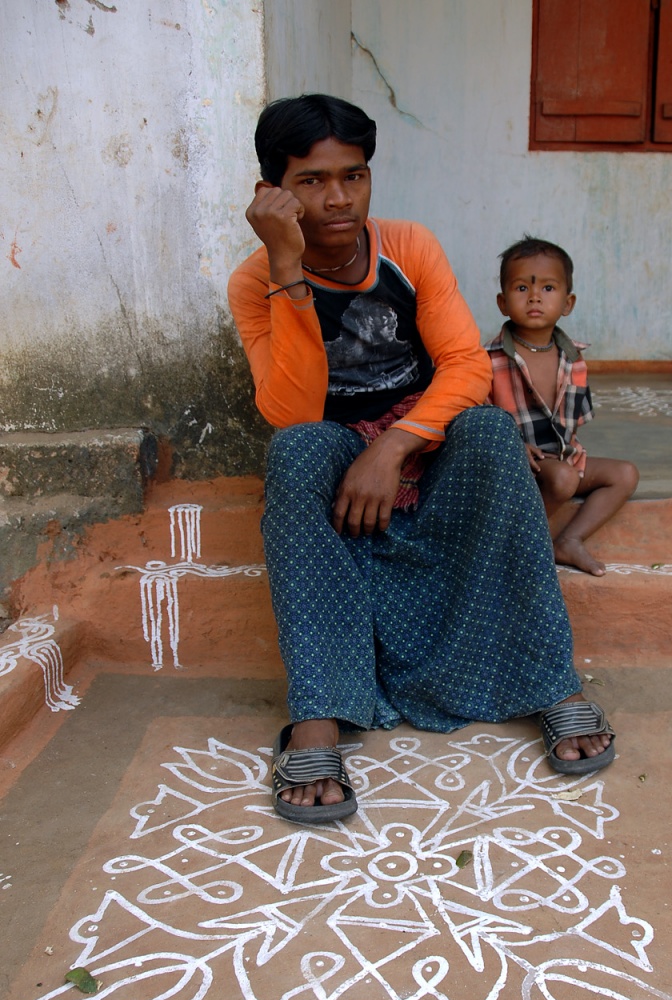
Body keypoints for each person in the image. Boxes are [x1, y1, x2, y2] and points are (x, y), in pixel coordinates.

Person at [227, 95, 615, 824]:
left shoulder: (408, 247)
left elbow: (466, 366)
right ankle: (318, 717)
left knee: (491, 431)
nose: (339, 199)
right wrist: (287, 268)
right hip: (336, 458)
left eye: (354, 175)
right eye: (312, 181)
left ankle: (552, 681)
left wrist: (395, 446)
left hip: (425, 443)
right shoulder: (255, 283)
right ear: (271, 193)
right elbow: (293, 409)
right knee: (297, 449)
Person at [486, 237, 639, 576]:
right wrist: (513, 445)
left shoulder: (574, 358)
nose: (535, 297)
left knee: (624, 474)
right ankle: (510, 546)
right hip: (518, 467)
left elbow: (573, 424)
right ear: (502, 302)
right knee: (564, 478)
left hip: (562, 462)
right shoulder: (488, 361)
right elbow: (476, 419)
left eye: (548, 288)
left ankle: (568, 541)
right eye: (522, 288)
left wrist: (564, 457)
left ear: (567, 303)